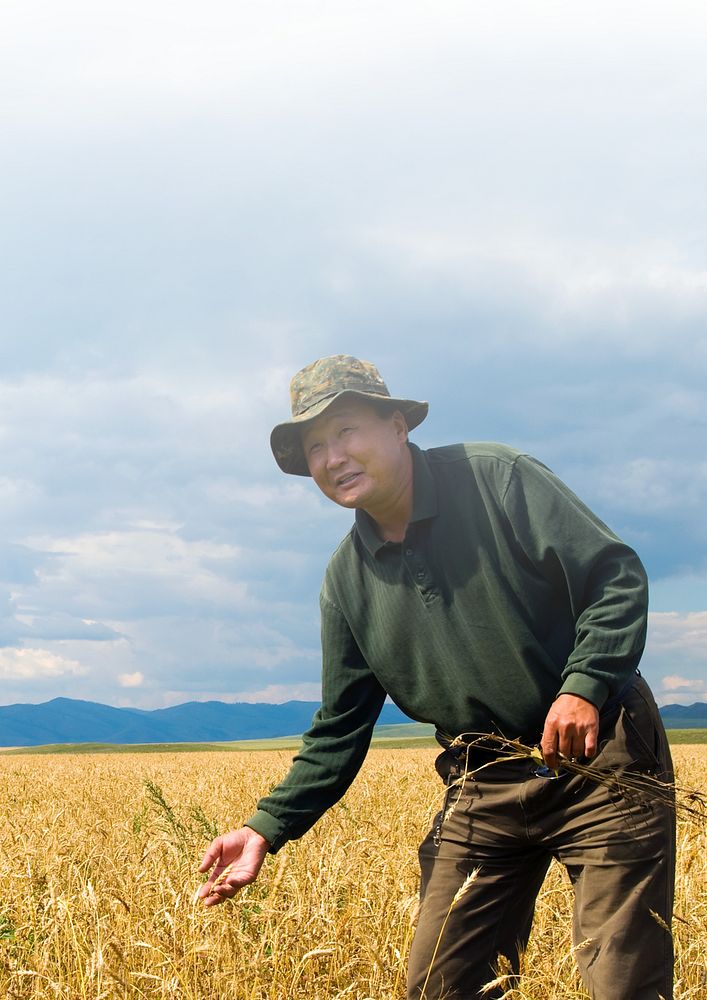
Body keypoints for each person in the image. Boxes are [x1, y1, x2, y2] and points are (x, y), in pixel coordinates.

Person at [198, 355, 675, 1000]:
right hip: (483, 779)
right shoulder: (347, 583)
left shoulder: (499, 481)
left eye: (345, 431)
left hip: (600, 758)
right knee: (439, 985)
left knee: (622, 978)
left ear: (398, 426)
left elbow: (615, 577)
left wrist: (584, 685)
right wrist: (263, 829)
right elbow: (340, 728)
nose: (332, 457)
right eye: (313, 446)